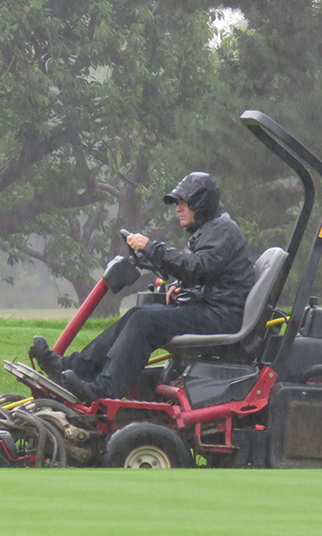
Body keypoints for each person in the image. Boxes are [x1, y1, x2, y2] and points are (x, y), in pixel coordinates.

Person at [29, 171, 256, 402]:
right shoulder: (211, 229)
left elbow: (198, 267)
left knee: (144, 321)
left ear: (201, 203)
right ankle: (73, 368)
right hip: (212, 309)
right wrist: (181, 285)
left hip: (220, 317)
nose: (178, 208)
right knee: (137, 313)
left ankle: (104, 391)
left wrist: (151, 247)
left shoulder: (222, 230)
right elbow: (208, 272)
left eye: (183, 203)